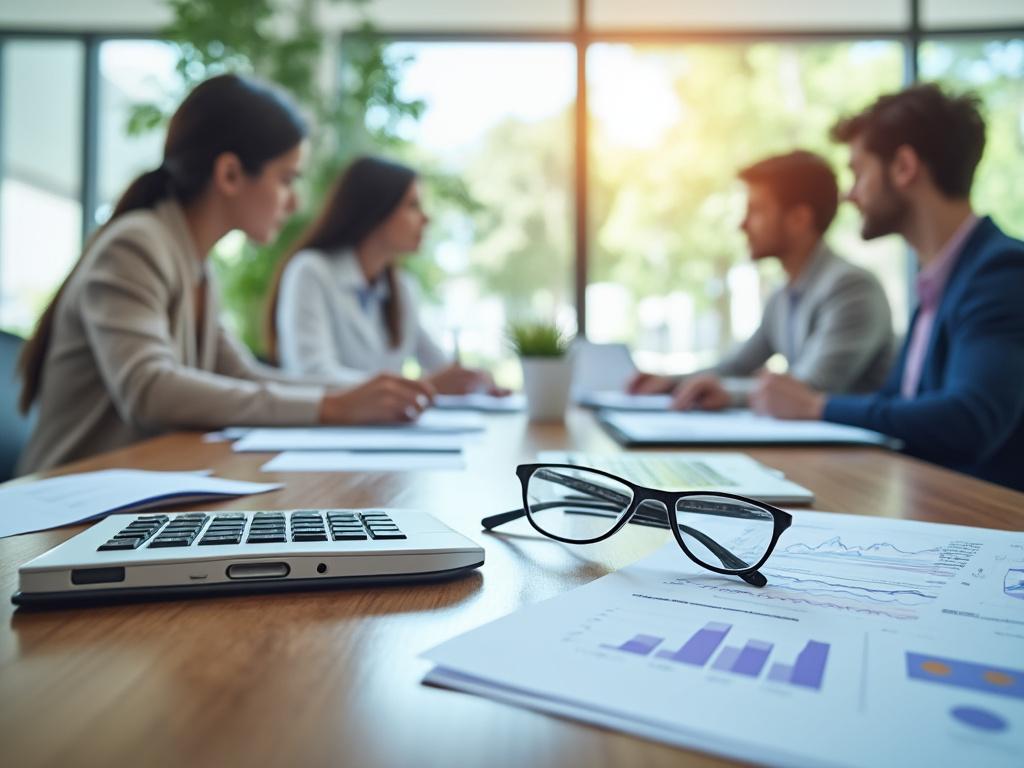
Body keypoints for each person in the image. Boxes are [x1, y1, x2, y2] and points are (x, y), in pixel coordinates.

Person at [17, 74, 433, 475]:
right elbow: (150, 390)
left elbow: (243, 375)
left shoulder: (196, 266)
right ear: (230, 174)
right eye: (287, 179)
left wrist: (349, 397)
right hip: (63, 514)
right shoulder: (137, 245)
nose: (295, 203)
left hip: (134, 490)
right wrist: (332, 406)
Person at [752, 84, 1024, 491]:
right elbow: (900, 405)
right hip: (929, 503)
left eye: (859, 172)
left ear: (903, 167)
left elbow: (971, 417)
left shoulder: (1000, 272)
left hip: (986, 524)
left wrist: (816, 406)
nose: (849, 194)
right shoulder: (939, 281)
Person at [628, 150, 894, 411]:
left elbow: (808, 389)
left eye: (756, 210)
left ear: (799, 219)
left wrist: (728, 394)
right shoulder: (784, 295)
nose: (742, 224)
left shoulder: (852, 288)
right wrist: (672, 382)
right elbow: (734, 366)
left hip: (857, 452)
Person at [268, 156, 502, 395]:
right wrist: (423, 387)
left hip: (387, 431)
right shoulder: (310, 271)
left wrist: (477, 382)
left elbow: (440, 367)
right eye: (413, 205)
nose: (426, 218)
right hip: (328, 430)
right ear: (376, 210)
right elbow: (310, 375)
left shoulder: (402, 288)